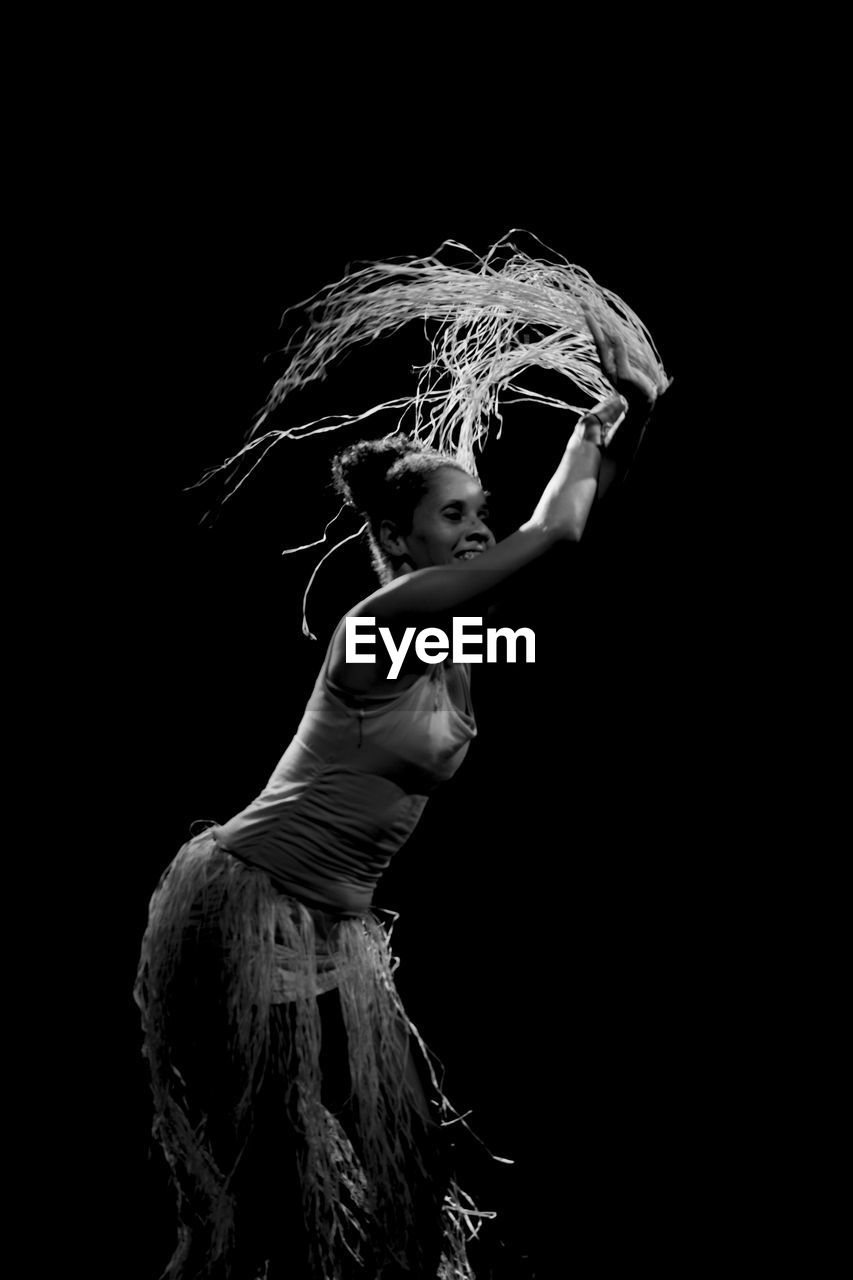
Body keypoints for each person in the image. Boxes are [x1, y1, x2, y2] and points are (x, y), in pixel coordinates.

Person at [135, 315, 661, 1280]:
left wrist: (623, 430)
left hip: (333, 924)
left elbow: (570, 541)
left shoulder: (452, 642)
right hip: (255, 907)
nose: (480, 528)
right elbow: (557, 534)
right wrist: (612, 416)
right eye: (456, 515)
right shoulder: (384, 622)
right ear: (391, 535)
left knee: (409, 1163)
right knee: (271, 1192)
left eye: (480, 510)